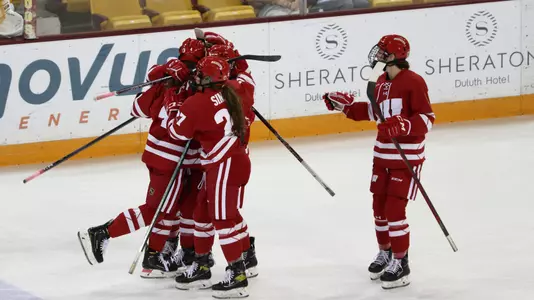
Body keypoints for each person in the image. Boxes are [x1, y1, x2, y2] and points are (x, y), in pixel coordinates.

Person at [322, 34, 435, 289]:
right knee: (379, 209)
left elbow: (427, 118)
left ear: (395, 56)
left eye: (383, 53)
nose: (378, 56)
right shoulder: (380, 80)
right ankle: (385, 253)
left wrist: (405, 125)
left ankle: (401, 261)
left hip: (405, 159)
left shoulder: (414, 82)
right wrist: (346, 108)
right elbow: (375, 112)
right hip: (381, 155)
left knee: (395, 211)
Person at [76, 58, 195, 278]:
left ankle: (154, 257)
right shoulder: (189, 88)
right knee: (158, 209)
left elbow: (137, 108)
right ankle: (102, 233)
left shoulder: (164, 85)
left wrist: (157, 82)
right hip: (171, 158)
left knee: (167, 208)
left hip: (155, 154)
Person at [165, 56, 253, 298]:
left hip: (225, 164)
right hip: (226, 161)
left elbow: (176, 132)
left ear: (204, 79)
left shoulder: (195, 104)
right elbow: (246, 82)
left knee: (223, 219)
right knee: (201, 214)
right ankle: (202, 265)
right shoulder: (233, 88)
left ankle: (238, 274)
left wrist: (172, 104)